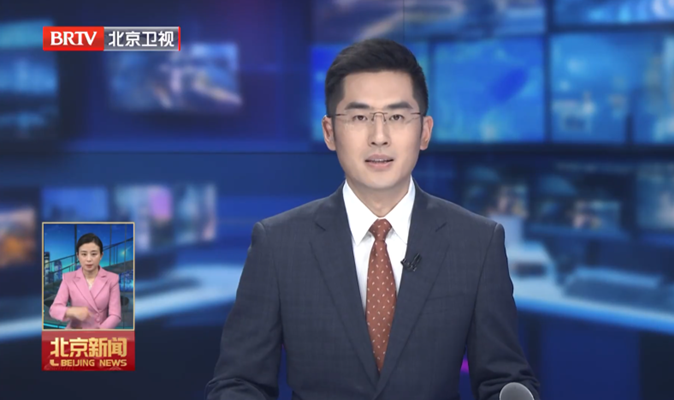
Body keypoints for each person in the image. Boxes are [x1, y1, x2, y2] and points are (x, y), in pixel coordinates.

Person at [206, 38, 540, 400]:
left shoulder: (477, 243)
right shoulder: (278, 245)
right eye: (359, 117)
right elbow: (239, 382)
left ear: (424, 131)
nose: (379, 137)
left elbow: (502, 378)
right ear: (330, 132)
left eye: (396, 117)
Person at [49, 233, 122, 330]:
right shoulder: (68, 278)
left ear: (101, 255)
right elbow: (54, 309)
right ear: (78, 256)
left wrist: (98, 333)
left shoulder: (112, 279)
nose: (88, 259)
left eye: (94, 254)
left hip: (100, 332)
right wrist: (72, 311)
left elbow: (115, 315)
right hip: (74, 333)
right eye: (84, 254)